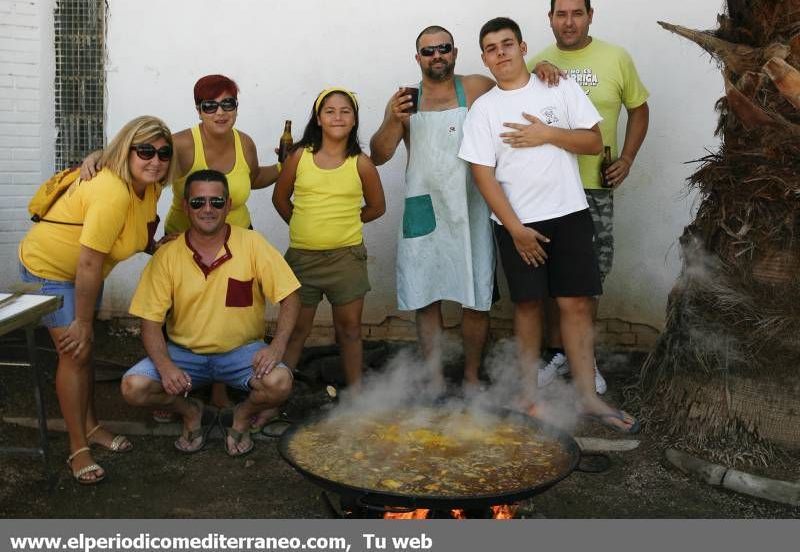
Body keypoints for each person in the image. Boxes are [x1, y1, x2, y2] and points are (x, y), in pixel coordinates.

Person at [458, 17, 640, 434]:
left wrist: (546, 134)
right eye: (491, 47)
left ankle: (589, 398)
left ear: (524, 48)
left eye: (507, 43)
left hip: (570, 213)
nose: (500, 52)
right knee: (526, 308)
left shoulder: (556, 87)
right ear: (485, 59)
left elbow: (593, 141)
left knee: (575, 304)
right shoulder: (483, 110)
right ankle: (527, 397)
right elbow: (483, 175)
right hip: (518, 223)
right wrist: (515, 229)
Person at [370, 25, 561, 394]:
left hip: (472, 205)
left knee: (476, 298)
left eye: (443, 48)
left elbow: (515, 85)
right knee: (426, 298)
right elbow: (379, 154)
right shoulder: (406, 100)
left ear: (455, 52)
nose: (436, 55)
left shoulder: (475, 87)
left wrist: (540, 67)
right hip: (424, 208)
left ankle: (472, 376)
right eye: (428, 51)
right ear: (418, 58)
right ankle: (436, 379)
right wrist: (393, 119)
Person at [81, 74, 281, 417]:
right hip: (185, 241)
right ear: (198, 109)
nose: (220, 112)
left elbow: (254, 177)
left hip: (238, 242)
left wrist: (283, 165)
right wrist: (101, 155)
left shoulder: (244, 142)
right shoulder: (183, 144)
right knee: (179, 315)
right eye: (210, 105)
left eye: (228, 104)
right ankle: (173, 387)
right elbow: (143, 153)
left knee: (230, 312)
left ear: (236, 107)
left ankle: (220, 392)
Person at [18, 115, 179, 484]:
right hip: (52, 270)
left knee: (85, 351)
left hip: (87, 272)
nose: (155, 159)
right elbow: (88, 260)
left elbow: (127, 235)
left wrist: (154, 245)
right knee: (75, 352)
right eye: (145, 150)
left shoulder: (149, 186)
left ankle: (91, 428)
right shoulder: (113, 191)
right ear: (127, 150)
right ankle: (78, 448)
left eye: (163, 152)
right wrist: (84, 321)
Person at [521, 0, 650, 391]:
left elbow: (639, 109)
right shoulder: (537, 61)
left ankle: (585, 360)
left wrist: (627, 159)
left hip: (593, 188)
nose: (569, 22)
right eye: (561, 14)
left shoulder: (616, 58)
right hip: (543, 191)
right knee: (545, 281)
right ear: (550, 17)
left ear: (590, 15)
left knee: (588, 279)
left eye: (577, 13)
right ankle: (557, 355)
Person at [120, 170, 301, 457]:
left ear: (229, 206)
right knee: (134, 387)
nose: (207, 209)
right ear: (185, 206)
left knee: (280, 383)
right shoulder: (168, 255)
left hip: (241, 353)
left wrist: (277, 346)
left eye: (216, 202)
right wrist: (166, 367)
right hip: (184, 354)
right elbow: (150, 322)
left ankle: (241, 415)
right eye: (198, 202)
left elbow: (290, 296)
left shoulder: (252, 244)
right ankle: (191, 412)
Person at [273, 87, 385, 392]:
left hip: (345, 260)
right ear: (319, 120)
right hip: (302, 260)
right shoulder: (299, 157)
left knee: (349, 331)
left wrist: (345, 221)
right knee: (296, 330)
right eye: (330, 111)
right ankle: (277, 392)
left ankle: (357, 395)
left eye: (345, 111)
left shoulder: (361, 162)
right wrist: (303, 224)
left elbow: (377, 207)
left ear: (354, 120)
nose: (338, 116)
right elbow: (280, 198)